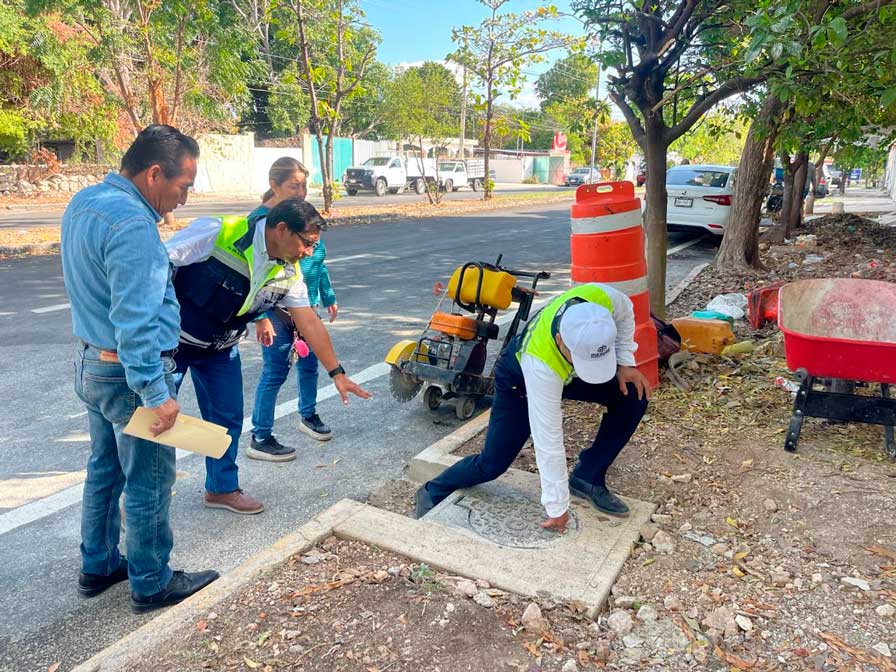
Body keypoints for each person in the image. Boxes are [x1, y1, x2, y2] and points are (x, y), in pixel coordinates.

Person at [61, 124, 219, 613]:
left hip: (93, 363)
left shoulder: (85, 202)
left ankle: (99, 563)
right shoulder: (132, 225)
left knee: (104, 469)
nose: (183, 199)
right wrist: (155, 392)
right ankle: (151, 581)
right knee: (149, 479)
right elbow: (134, 320)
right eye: (182, 186)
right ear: (154, 174)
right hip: (129, 375)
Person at [165, 199, 370, 514]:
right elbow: (156, 264)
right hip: (171, 343)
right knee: (154, 417)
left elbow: (309, 321)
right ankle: (139, 496)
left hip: (220, 350)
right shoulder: (219, 231)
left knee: (227, 419)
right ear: (282, 229)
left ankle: (221, 488)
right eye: (307, 243)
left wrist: (336, 372)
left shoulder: (289, 272)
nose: (309, 252)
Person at [415, 283, 651, 533]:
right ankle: (432, 490)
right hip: (519, 379)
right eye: (580, 360)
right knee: (492, 464)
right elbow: (548, 439)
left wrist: (626, 363)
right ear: (560, 340)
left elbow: (626, 315)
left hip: (566, 372)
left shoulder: (606, 299)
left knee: (633, 395)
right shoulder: (540, 363)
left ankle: (587, 477)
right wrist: (557, 506)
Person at [247, 158, 338, 461]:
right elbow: (251, 274)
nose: (301, 192)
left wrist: (327, 295)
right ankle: (261, 435)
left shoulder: (305, 220)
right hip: (275, 310)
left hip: (304, 306)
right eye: (293, 186)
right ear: (274, 185)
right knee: (275, 371)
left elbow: (317, 263)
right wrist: (260, 316)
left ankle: (308, 414)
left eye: (303, 185)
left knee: (310, 364)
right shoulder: (261, 223)